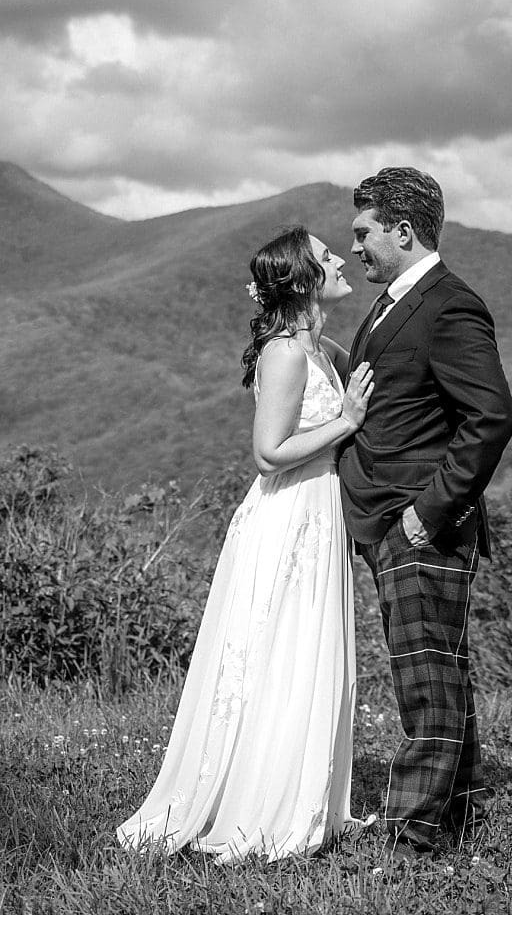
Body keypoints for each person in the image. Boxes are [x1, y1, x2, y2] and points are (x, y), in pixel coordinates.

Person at [118, 226, 376, 863]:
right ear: (303, 279)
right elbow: (268, 454)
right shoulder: (285, 354)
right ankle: (255, 807)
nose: (340, 259)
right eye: (325, 256)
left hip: (322, 516)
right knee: (275, 656)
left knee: (307, 657)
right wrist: (345, 421)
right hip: (287, 516)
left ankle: (308, 800)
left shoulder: (326, 350)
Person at [337, 167, 512, 856]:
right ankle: (456, 812)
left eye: (364, 233)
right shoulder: (394, 303)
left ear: (403, 231)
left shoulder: (448, 306)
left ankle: (411, 832)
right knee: (439, 667)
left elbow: (491, 416)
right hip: (388, 520)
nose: (355, 248)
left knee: (425, 678)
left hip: (420, 524)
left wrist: (427, 514)